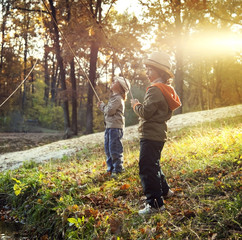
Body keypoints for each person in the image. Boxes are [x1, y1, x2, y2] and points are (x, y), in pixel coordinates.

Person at [131, 51, 182, 215]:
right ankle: (165, 191)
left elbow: (145, 112)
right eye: (146, 69)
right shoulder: (167, 89)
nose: (146, 72)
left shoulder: (154, 90)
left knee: (146, 167)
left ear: (160, 71)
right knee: (154, 164)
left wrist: (136, 105)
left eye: (150, 69)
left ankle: (155, 204)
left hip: (150, 135)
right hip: (159, 135)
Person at [97, 76, 130, 178]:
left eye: (115, 81)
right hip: (110, 127)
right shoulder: (114, 98)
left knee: (114, 149)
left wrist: (102, 106)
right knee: (108, 149)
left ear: (120, 87)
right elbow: (108, 110)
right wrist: (103, 107)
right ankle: (110, 169)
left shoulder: (118, 98)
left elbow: (110, 111)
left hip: (115, 128)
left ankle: (118, 169)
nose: (112, 82)